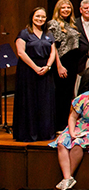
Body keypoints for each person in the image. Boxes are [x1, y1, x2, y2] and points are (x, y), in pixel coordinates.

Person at [15, 7, 58, 141]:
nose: (40, 19)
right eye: (37, 16)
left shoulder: (49, 34)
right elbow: (21, 52)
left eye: (43, 17)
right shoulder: (24, 34)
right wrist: (35, 67)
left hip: (45, 71)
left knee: (45, 101)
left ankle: (44, 132)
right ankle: (29, 133)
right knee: (29, 100)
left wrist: (48, 66)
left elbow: (53, 52)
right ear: (32, 17)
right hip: (28, 71)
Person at [48, 0, 83, 129]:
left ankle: (64, 123)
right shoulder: (54, 24)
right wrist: (59, 65)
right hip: (62, 62)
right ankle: (58, 124)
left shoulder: (71, 24)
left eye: (68, 7)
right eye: (63, 7)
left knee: (68, 94)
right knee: (60, 94)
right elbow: (54, 47)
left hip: (72, 63)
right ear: (58, 9)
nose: (66, 10)